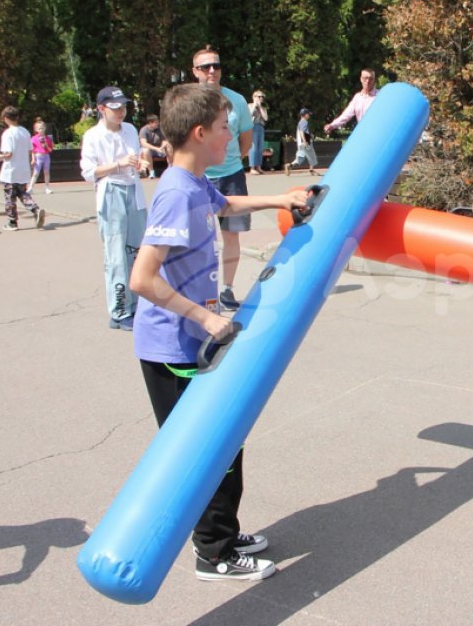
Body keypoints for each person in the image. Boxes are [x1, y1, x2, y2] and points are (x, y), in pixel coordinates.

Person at [130, 83, 308, 581]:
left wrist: (282, 199)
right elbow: (141, 278)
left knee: (226, 441)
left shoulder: (194, 182)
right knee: (205, 449)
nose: (232, 136)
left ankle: (222, 532)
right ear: (199, 133)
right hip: (172, 348)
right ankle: (214, 552)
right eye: (225, 127)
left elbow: (224, 205)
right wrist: (205, 317)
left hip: (193, 341)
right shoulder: (174, 194)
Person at [79, 86, 151, 331]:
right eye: (115, 108)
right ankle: (120, 310)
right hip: (111, 192)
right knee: (116, 255)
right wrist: (118, 164)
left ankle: (139, 303)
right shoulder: (93, 136)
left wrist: (141, 164)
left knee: (138, 251)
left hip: (134, 191)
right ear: (101, 109)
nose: (121, 111)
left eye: (124, 107)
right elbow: (89, 172)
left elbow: (137, 158)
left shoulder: (129, 129)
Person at [191, 45, 253, 311]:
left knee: (231, 236)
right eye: (205, 67)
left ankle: (226, 289)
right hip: (198, 177)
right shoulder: (189, 101)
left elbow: (246, 139)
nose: (212, 71)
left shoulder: (236, 100)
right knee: (198, 238)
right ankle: (200, 291)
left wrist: (230, 159)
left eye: (216, 65)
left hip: (231, 177)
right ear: (195, 71)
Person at [0, 106, 45, 232]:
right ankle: (35, 209)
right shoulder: (25, 132)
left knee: (10, 197)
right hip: (23, 169)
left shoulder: (8, 133)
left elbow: (8, 153)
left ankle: (12, 222)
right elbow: (30, 149)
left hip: (11, 170)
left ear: (6, 118)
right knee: (22, 193)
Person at [323, 68, 378, 134]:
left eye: (371, 79)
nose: (368, 81)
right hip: (363, 133)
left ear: (374, 80)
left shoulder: (380, 95)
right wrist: (332, 125)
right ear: (361, 79)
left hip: (377, 133)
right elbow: (346, 115)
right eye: (365, 78)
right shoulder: (357, 98)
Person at [285, 108, 318, 176]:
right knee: (312, 156)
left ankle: (289, 165)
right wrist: (305, 141)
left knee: (300, 158)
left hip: (300, 143)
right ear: (305, 115)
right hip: (305, 142)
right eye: (308, 114)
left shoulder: (300, 122)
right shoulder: (304, 122)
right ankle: (311, 170)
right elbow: (302, 132)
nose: (309, 115)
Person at [139, 114, 171, 179]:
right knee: (146, 150)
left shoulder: (160, 129)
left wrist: (161, 147)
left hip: (159, 149)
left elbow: (165, 140)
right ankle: (151, 172)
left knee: (169, 146)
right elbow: (144, 143)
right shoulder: (143, 130)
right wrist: (156, 149)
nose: (158, 124)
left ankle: (170, 168)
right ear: (150, 123)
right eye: (156, 122)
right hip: (150, 150)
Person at [28, 119, 54, 194]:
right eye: (39, 128)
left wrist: (46, 145)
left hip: (46, 156)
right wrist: (33, 159)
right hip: (38, 156)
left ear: (45, 128)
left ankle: (47, 187)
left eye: (42, 128)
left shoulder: (48, 138)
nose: (41, 130)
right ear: (36, 129)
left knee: (46, 172)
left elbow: (50, 150)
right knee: (35, 173)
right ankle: (30, 188)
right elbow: (33, 150)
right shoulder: (34, 138)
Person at [247, 90, 267, 175]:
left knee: (260, 147)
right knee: (253, 147)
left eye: (262, 96)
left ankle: (258, 167)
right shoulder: (249, 106)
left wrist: (260, 108)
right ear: (254, 97)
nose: (261, 98)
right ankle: (252, 167)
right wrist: (254, 106)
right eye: (259, 96)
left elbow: (265, 118)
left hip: (260, 127)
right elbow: (248, 116)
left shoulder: (263, 108)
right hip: (252, 127)